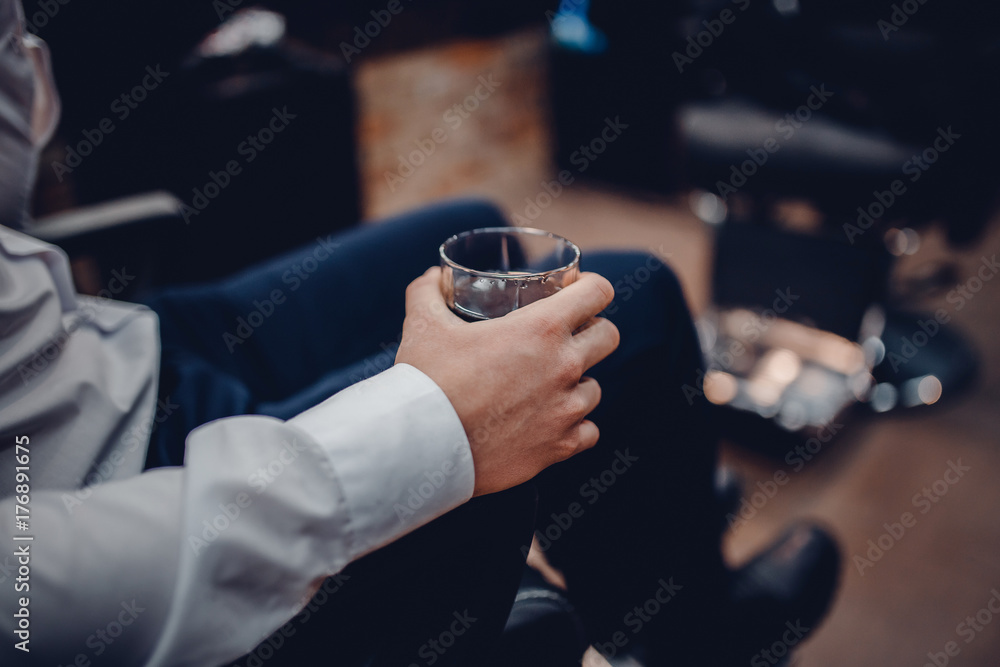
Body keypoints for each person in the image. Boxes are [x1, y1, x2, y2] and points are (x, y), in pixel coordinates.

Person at [0, 1, 839, 664]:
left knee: (473, 224)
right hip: (136, 469)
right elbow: (32, 594)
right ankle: (702, 635)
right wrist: (438, 418)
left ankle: (647, 522)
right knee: (636, 296)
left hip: (114, 347)